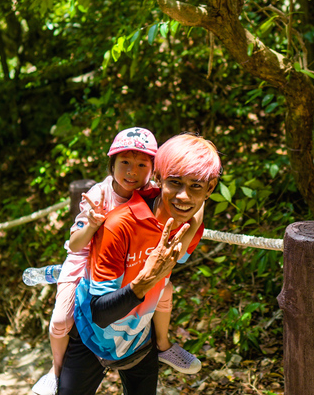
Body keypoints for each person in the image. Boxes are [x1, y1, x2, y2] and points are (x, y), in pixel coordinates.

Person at [32, 128, 202, 395]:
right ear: (112, 164)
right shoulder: (99, 194)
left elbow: (191, 199)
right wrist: (92, 225)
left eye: (141, 164)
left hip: (130, 263)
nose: (132, 171)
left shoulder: (155, 193)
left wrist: (196, 208)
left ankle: (163, 345)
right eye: (125, 162)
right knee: (62, 319)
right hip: (85, 261)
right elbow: (76, 244)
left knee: (165, 292)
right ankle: (55, 372)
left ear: (153, 170)